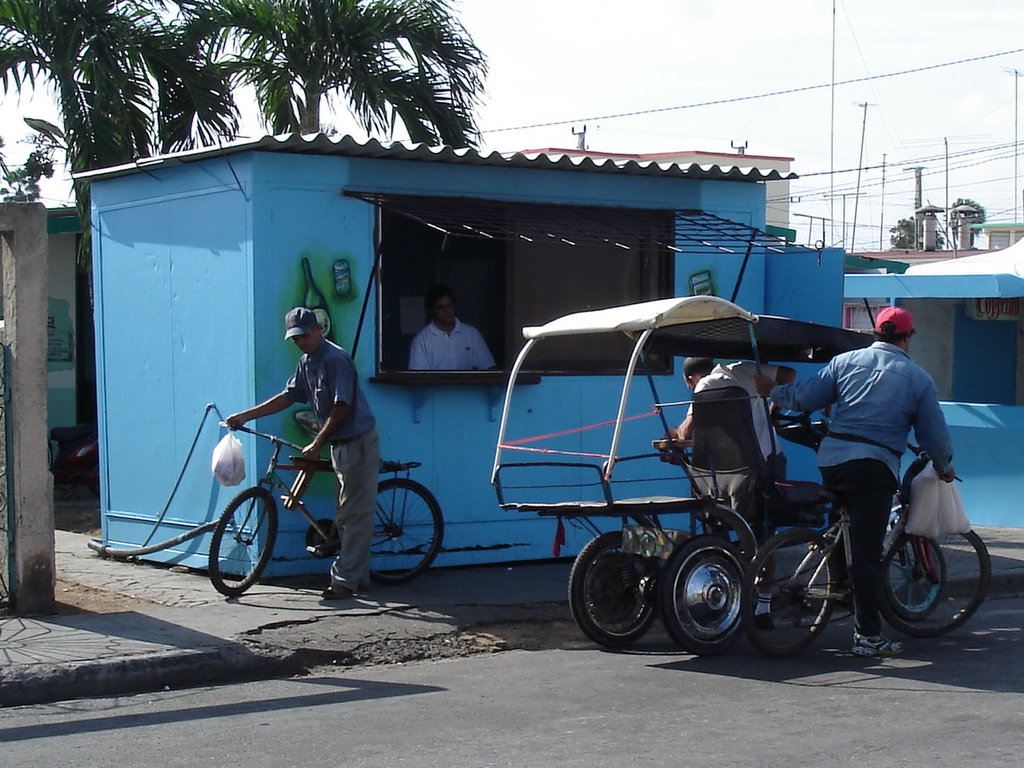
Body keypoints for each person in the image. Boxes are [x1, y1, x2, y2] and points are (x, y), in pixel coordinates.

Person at [754, 306, 955, 657]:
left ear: (876, 333)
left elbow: (804, 397)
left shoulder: (845, 362)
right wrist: (944, 466)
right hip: (873, 468)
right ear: (907, 338)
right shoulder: (917, 377)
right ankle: (867, 636)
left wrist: (773, 392)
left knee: (848, 531)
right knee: (867, 554)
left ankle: (838, 583)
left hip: (832, 462)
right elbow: (934, 436)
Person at [226, 307, 379, 601]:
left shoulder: (336, 359)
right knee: (345, 513)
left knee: (353, 514)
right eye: (295, 338)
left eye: (305, 335)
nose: (301, 341)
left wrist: (317, 442)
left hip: (357, 441)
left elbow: (342, 407)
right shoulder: (307, 362)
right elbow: (288, 396)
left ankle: (345, 582)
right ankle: (359, 576)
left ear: (318, 329)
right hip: (338, 444)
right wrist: (246, 416)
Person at [409, 284, 496, 370]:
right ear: (431, 311)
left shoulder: (471, 334)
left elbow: (489, 367)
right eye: (441, 307)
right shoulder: (422, 340)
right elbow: (418, 377)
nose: (447, 311)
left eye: (449, 305)